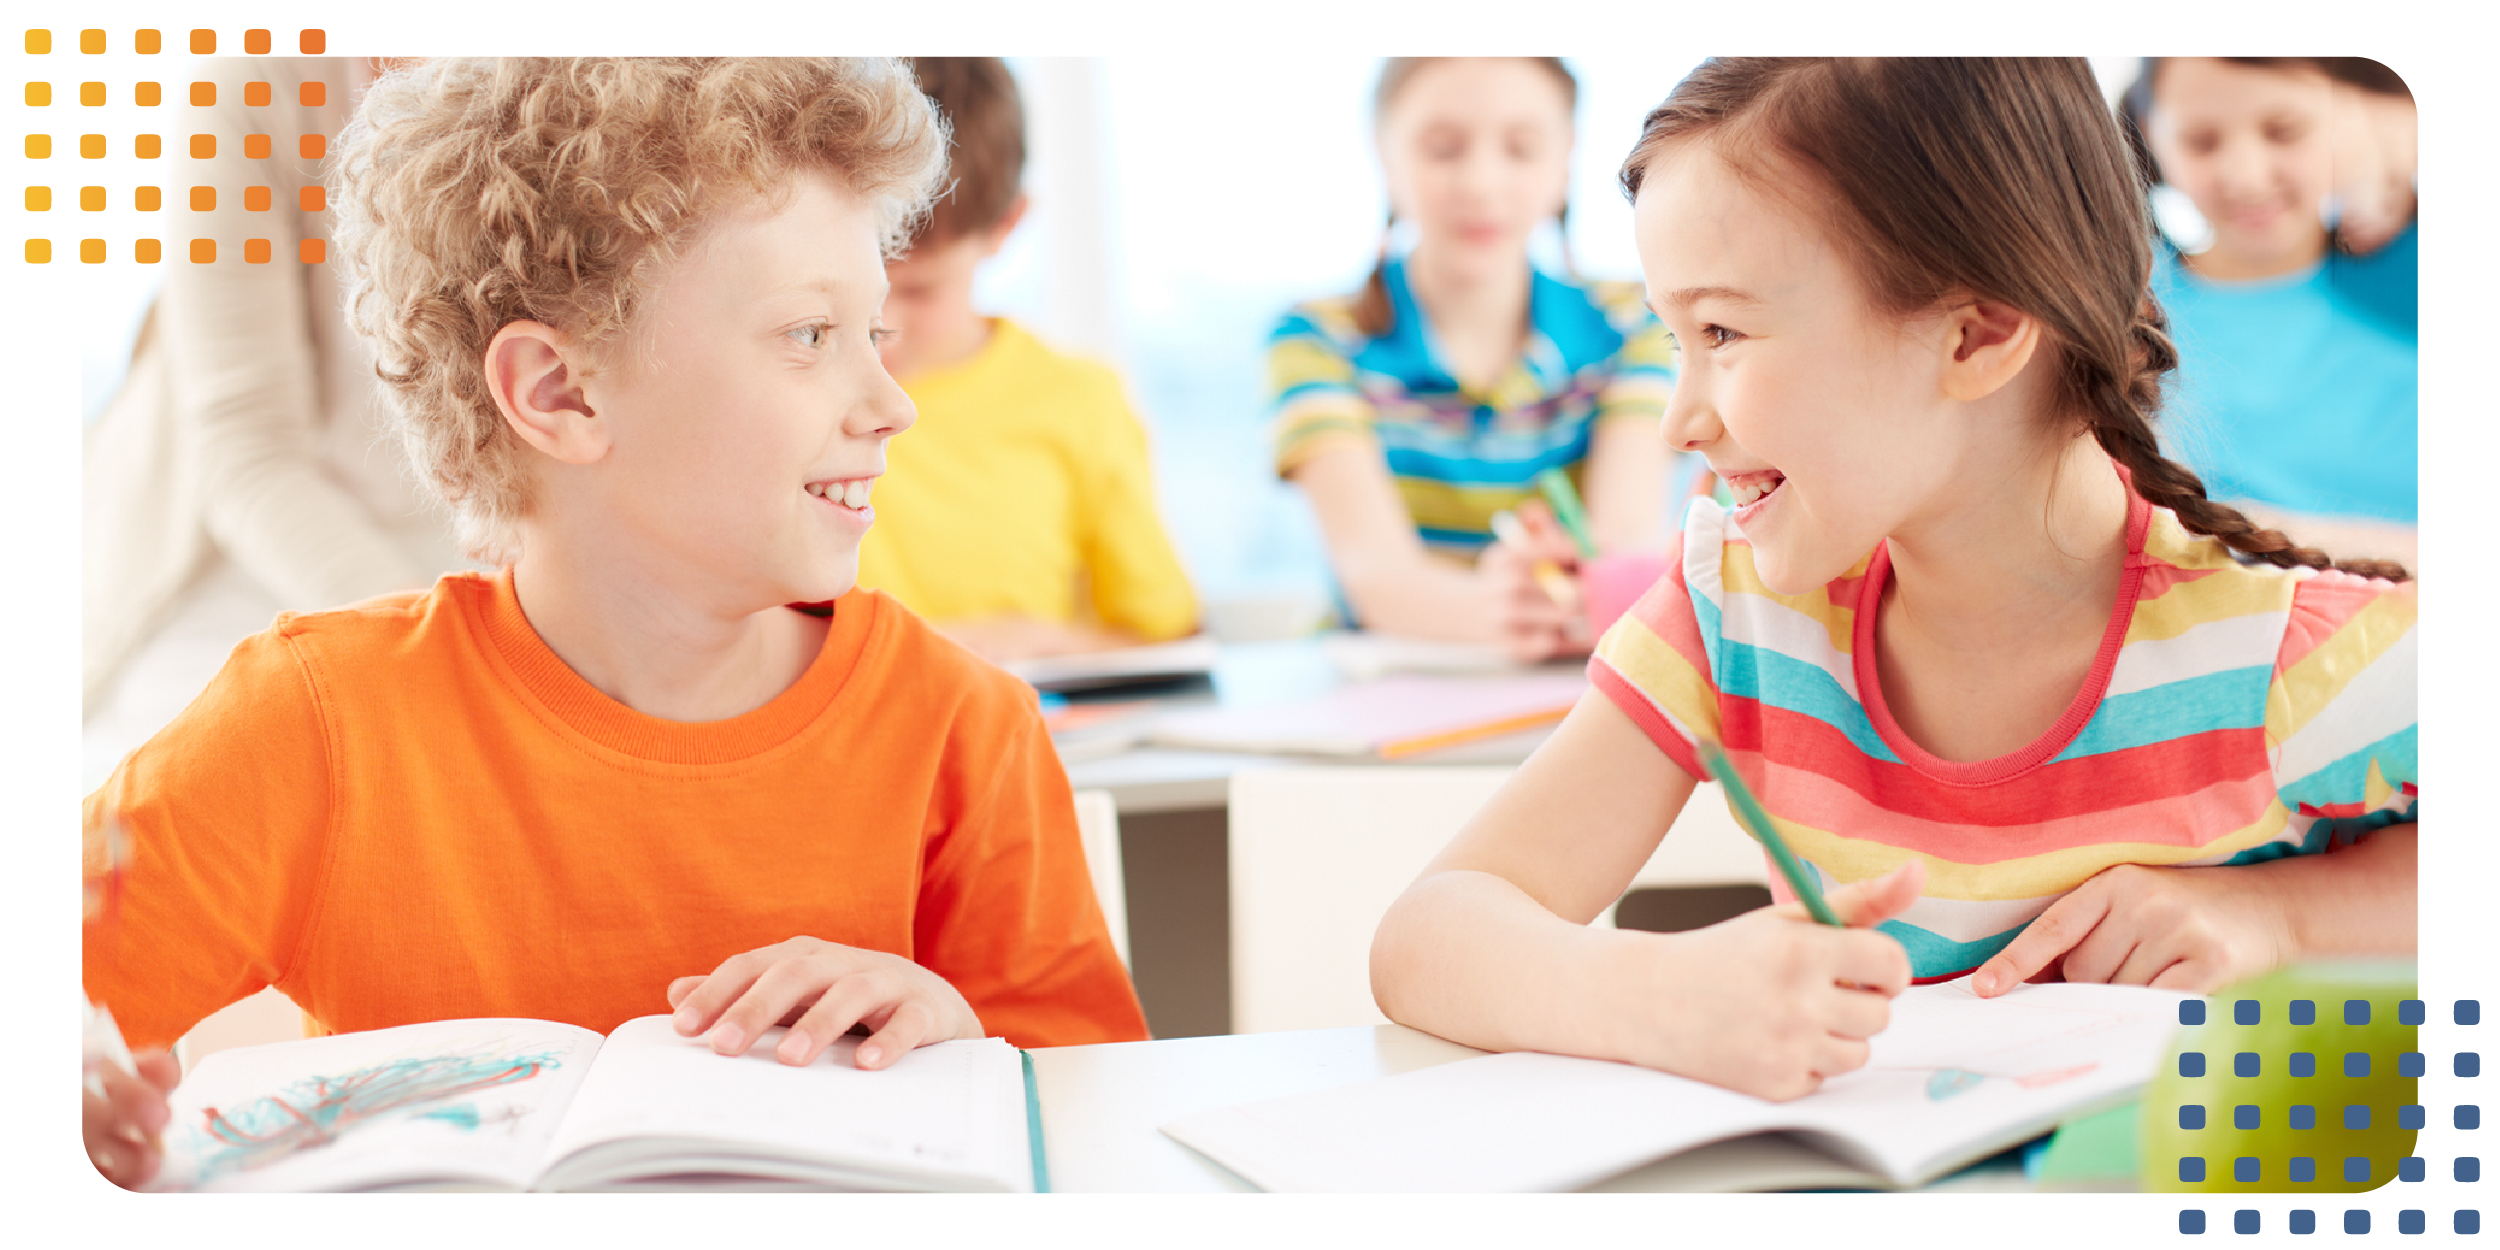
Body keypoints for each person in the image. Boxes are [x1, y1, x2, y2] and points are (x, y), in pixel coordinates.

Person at [80, 56, 1148, 1190]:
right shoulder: (308, 719)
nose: (893, 405)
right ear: (559, 392)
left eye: (874, 331)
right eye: (807, 335)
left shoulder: (963, 728)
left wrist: (951, 1022)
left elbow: (1088, 1130)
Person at [1370, 57, 2417, 1103]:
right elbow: (1427, 934)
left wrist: (2284, 912)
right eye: (1674, 339)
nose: (1679, 418)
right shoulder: (1738, 611)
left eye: (1723, 332)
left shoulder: (2289, 651)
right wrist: (1653, 988)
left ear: (1978, 332)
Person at [82, 55, 472, 783]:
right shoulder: (254, 85)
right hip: (254, 559)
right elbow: (248, 455)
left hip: (501, 562)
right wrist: (442, 658)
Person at [1269, 56, 1679, 661]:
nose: (1481, 183)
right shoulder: (1316, 339)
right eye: (1442, 148)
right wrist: (1517, 606)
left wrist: (1569, 591)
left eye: (1520, 147)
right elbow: (1377, 578)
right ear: (1385, 154)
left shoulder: (1635, 324)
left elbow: (1623, 542)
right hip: (1379, 681)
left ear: (1565, 159)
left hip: (1572, 681)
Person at [854, 57, 1197, 664]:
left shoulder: (1077, 401)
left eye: (918, 290)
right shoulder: (788, 403)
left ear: (1006, 224)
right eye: (859, 285)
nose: (882, 324)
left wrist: (1054, 644)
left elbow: (1165, 636)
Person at [2119, 56, 2417, 572]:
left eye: (2284, 132)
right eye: (2202, 142)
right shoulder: (2125, 307)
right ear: (2151, 137)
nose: (2248, 178)